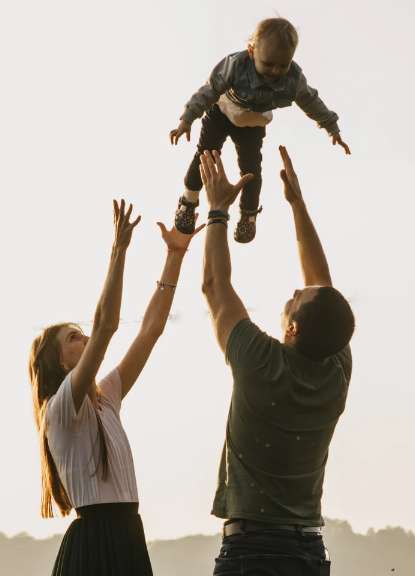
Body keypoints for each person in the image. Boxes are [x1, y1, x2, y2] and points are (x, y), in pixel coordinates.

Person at [199, 147, 355, 575]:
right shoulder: (336, 370)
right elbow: (322, 288)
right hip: (308, 551)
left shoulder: (259, 361)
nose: (295, 291)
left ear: (294, 328)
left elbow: (214, 285)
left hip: (252, 551)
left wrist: (217, 210)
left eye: (296, 298)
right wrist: (297, 205)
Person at [27, 200, 202, 576]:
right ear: (60, 363)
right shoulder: (60, 408)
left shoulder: (106, 397)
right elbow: (106, 325)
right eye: (73, 338)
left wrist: (175, 256)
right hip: (95, 543)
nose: (84, 338)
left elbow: (151, 330)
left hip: (127, 536)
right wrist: (118, 251)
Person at [169, 17, 351, 244]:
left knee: (251, 169)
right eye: (268, 64)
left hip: (252, 123)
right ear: (251, 50)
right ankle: (189, 200)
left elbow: (311, 101)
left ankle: (248, 215)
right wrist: (187, 119)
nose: (275, 71)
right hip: (222, 112)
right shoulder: (236, 65)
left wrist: (331, 128)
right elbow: (210, 89)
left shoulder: (293, 79)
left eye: (282, 65)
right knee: (206, 154)